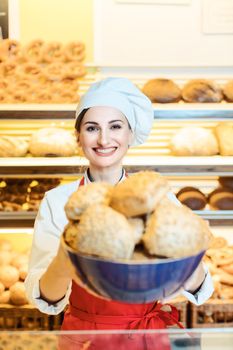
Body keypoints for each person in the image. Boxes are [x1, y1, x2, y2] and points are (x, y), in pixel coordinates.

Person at [25, 77, 214, 349]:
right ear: (78, 137)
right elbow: (47, 299)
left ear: (130, 134)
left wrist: (187, 254)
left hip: (146, 334)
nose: (104, 139)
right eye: (92, 128)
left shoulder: (157, 199)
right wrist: (67, 257)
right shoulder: (58, 201)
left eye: (115, 127)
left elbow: (200, 289)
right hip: (84, 337)